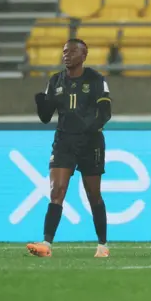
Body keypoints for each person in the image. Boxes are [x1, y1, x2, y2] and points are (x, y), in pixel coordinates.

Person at [27, 39, 112, 258]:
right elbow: (46, 117)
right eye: (65, 51)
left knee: (93, 194)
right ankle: (46, 243)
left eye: (73, 51)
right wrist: (41, 103)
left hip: (90, 142)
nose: (67, 55)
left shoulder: (95, 80)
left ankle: (102, 245)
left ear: (84, 55)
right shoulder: (56, 80)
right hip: (64, 141)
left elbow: (105, 112)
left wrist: (89, 129)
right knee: (57, 190)